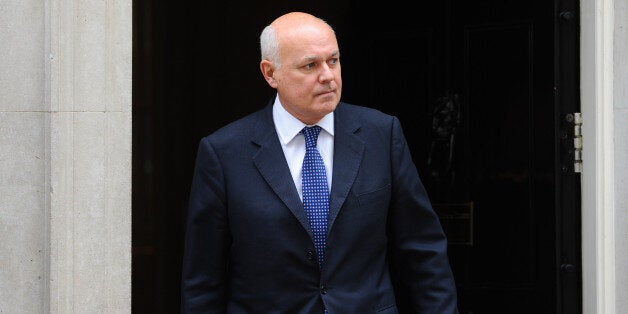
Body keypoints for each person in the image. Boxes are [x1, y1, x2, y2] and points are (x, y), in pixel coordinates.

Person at [181, 11, 458, 314]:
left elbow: (422, 249)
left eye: (334, 60)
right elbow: (203, 280)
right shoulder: (223, 153)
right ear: (270, 73)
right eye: (310, 65)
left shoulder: (381, 134)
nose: (328, 75)